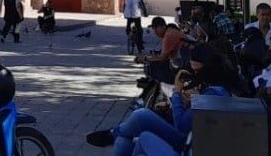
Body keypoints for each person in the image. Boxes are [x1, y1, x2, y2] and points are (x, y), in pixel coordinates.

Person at [86, 45, 235, 155]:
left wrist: (177, 93)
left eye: (197, 71)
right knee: (132, 129)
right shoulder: (217, 89)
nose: (196, 75)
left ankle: (114, 134)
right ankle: (114, 134)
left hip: (188, 145)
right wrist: (190, 101)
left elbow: (181, 125)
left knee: (143, 135)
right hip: (190, 141)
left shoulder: (214, 95)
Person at [136, 16, 189, 99]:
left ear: (163, 26)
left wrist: (145, 59)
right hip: (181, 61)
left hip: (182, 63)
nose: (155, 32)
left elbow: (163, 57)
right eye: (153, 29)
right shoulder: (170, 32)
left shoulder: (169, 35)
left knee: (157, 69)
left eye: (156, 28)